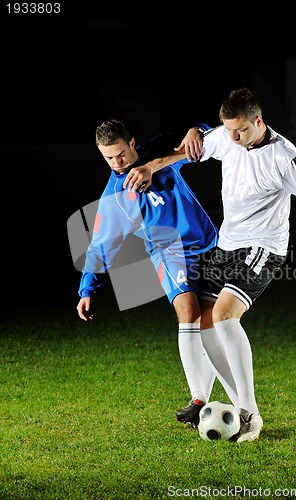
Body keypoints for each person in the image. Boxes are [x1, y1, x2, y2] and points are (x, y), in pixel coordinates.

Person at [125, 88, 296, 443]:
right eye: (228, 130)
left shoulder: (285, 157)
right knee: (202, 322)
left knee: (225, 315)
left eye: (240, 131)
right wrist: (149, 166)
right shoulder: (227, 138)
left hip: (262, 248)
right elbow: (183, 153)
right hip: (226, 246)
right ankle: (241, 407)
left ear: (258, 121)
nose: (233, 138)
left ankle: (250, 415)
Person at [76, 118, 239, 428]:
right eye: (108, 157)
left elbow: (204, 137)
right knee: (187, 310)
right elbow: (100, 245)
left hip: (210, 245)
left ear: (133, 143)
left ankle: (228, 403)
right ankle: (198, 399)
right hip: (170, 254)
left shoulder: (160, 152)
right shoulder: (115, 195)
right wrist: (86, 290)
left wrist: (197, 129)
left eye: (121, 154)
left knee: (212, 322)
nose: (117, 162)